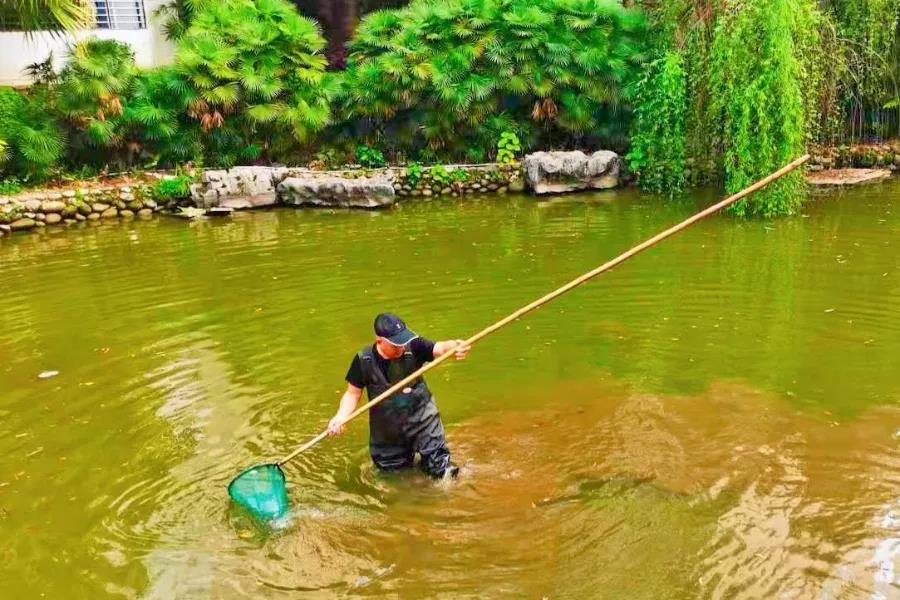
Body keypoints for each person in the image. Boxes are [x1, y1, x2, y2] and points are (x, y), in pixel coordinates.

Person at [327, 312, 469, 478]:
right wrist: (341, 417)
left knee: (442, 470)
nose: (401, 348)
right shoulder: (363, 360)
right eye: (396, 345)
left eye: (403, 342)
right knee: (396, 478)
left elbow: (440, 348)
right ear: (379, 340)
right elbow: (352, 394)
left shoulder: (413, 345)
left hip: (423, 419)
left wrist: (454, 346)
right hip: (388, 431)